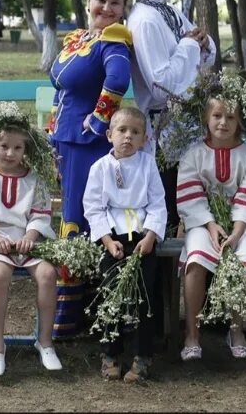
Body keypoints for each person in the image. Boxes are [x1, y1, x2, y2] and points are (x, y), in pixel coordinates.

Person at [124, 0, 216, 336]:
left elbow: (206, 53)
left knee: (205, 219)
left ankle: (208, 313)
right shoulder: (144, 19)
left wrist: (202, 43)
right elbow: (162, 85)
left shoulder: (170, 8)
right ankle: (160, 322)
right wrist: (189, 46)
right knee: (166, 223)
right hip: (166, 139)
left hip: (192, 132)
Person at [0, 102, 62, 377]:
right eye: (4, 146)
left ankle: (45, 341)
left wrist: (31, 236)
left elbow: (41, 216)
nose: (10, 153)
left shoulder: (35, 181)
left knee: (47, 274)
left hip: (27, 242)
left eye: (17, 148)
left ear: (26, 150)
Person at [176, 96, 246, 362]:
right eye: (217, 116)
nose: (223, 122)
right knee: (196, 261)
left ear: (239, 122)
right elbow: (190, 197)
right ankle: (192, 334)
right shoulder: (194, 155)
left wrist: (236, 232)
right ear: (206, 118)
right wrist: (211, 224)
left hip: (241, 224)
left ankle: (236, 330)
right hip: (203, 222)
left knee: (243, 261)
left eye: (230, 117)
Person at [82, 107, 166, 383]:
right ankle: (110, 354)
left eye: (135, 132)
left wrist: (151, 236)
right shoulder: (100, 169)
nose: (128, 137)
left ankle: (142, 357)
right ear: (109, 135)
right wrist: (107, 240)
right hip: (113, 238)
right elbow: (93, 209)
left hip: (143, 238)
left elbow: (156, 203)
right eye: (122, 130)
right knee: (111, 295)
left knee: (144, 297)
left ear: (144, 139)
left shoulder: (148, 165)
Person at [49, 0, 132, 239]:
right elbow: (61, 88)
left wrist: (98, 121)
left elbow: (118, 80)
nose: (107, 8)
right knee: (71, 201)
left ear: (122, 10)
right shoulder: (79, 39)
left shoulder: (113, 41)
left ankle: (78, 277)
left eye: (115, 3)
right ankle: (76, 270)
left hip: (87, 142)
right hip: (66, 138)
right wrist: (52, 131)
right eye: (101, 0)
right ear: (88, 2)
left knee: (82, 207)